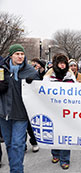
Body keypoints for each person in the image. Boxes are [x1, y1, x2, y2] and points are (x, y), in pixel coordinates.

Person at [0, 44, 39, 173]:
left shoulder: (30, 71)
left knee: (18, 145)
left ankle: (16, 171)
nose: (20, 56)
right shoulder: (2, 70)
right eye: (17, 54)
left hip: (21, 114)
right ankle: (15, 169)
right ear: (11, 55)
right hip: (3, 113)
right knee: (10, 144)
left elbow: (41, 91)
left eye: (22, 54)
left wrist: (35, 81)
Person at [43, 53, 76, 170]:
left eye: (64, 63)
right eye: (60, 63)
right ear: (56, 64)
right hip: (53, 110)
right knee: (55, 133)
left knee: (65, 134)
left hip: (66, 110)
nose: (62, 66)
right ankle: (55, 154)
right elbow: (43, 92)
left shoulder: (70, 75)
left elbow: (76, 91)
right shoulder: (49, 76)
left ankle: (65, 159)